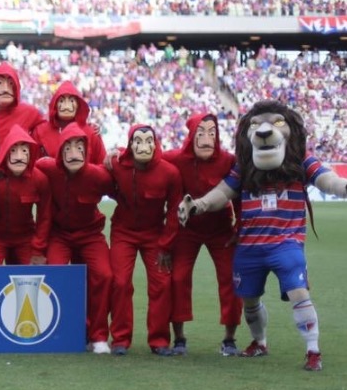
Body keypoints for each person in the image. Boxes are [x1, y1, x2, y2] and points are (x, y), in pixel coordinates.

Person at [179, 100, 347, 372]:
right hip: (250, 245)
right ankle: (260, 342)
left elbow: (327, 180)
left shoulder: (300, 161)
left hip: (286, 243)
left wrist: (343, 187)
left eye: (277, 123)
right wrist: (198, 204)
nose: (265, 131)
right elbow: (223, 192)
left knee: (298, 292)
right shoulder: (245, 167)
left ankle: (313, 350)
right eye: (256, 125)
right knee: (249, 299)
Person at [165, 113, 240, 356]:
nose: (207, 139)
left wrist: (240, 228)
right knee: (178, 278)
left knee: (230, 279)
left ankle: (230, 339)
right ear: (191, 136)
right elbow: (148, 157)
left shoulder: (228, 160)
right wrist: (116, 154)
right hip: (188, 229)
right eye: (201, 132)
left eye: (212, 133)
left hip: (221, 229)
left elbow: (239, 190)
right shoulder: (177, 158)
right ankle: (179, 338)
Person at [37, 124, 115, 353]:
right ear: (60, 152)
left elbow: (121, 181)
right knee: (55, 275)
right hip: (59, 234)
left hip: (90, 234)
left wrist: (118, 154)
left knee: (104, 274)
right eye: (68, 148)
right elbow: (24, 168)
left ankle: (98, 335)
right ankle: (62, 331)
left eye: (79, 147)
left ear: (87, 151)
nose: (73, 153)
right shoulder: (47, 167)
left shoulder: (98, 175)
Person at [106, 124, 183, 356]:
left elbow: (174, 211)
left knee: (161, 284)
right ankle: (120, 338)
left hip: (154, 234)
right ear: (130, 145)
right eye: (137, 141)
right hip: (123, 231)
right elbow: (106, 172)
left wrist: (165, 244)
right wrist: (111, 153)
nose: (143, 146)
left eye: (149, 140)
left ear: (156, 143)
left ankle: (159, 340)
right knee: (119, 282)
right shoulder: (117, 166)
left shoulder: (169, 173)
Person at [0, 125, 51, 266]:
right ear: (5, 153)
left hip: (26, 238)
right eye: (13, 151)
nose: (19, 157)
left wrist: (37, 251)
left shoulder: (40, 179)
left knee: (35, 275)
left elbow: (45, 217)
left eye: (24, 151)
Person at [33, 80, 106, 164]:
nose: (66, 106)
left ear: (78, 104)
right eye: (62, 100)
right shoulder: (40, 131)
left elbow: (102, 165)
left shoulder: (91, 132)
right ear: (55, 104)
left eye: (71, 100)